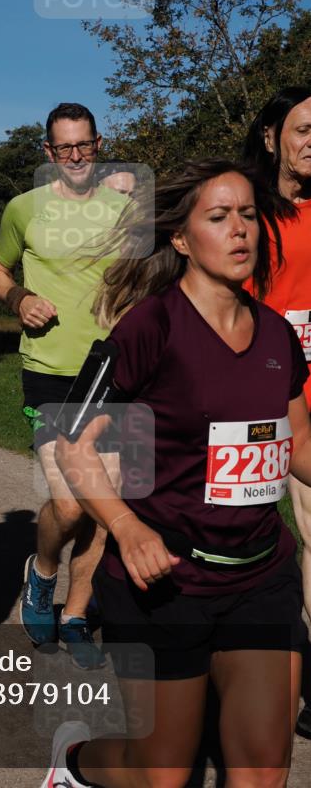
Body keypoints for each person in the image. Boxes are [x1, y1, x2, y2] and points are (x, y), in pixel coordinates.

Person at [45, 160, 310, 788]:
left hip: (260, 577)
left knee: (262, 773)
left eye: (248, 214)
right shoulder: (149, 327)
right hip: (166, 583)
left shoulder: (276, 334)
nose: (240, 230)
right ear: (182, 238)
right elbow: (70, 442)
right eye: (219, 217)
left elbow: (299, 442)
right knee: (160, 774)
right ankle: (74, 763)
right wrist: (126, 527)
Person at [0, 102, 128, 667]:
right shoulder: (24, 209)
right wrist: (19, 299)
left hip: (115, 370)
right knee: (68, 504)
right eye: (64, 147)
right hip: (49, 372)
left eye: (84, 145)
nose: (75, 156)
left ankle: (75, 612)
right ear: (48, 153)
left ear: (99, 145)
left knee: (104, 505)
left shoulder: (126, 208)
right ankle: (42, 572)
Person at [243, 85, 311, 739]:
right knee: (246, 562)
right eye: (303, 128)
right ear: (272, 138)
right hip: (248, 420)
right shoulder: (244, 217)